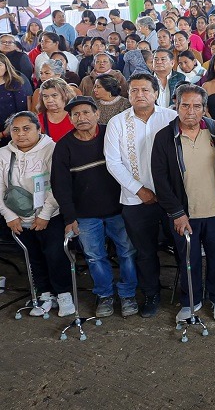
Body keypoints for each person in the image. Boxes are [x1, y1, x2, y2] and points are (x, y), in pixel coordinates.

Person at [52, 96, 138, 319]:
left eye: (86, 112)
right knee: (94, 256)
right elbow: (60, 186)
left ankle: (128, 294)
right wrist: (70, 217)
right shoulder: (63, 146)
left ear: (97, 114)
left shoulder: (110, 134)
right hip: (85, 215)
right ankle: (105, 295)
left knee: (127, 252)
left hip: (118, 209)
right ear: (69, 119)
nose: (81, 118)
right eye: (76, 114)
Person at [151, 84, 215, 322]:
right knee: (188, 260)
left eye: (197, 106)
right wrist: (177, 213)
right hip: (185, 214)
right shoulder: (164, 137)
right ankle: (191, 301)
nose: (190, 111)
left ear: (204, 109)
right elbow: (161, 181)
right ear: (176, 106)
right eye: (185, 105)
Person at [103, 73, 177, 318]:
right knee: (144, 252)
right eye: (134, 90)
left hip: (171, 199)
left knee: (181, 246)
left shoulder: (171, 118)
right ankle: (151, 294)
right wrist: (139, 190)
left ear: (156, 93)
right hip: (135, 200)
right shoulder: (117, 123)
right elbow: (113, 163)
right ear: (128, 94)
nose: (140, 95)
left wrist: (166, 192)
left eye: (145, 90)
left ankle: (187, 292)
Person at [0, 111, 73, 318]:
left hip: (51, 214)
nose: (21, 134)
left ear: (38, 129)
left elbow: (58, 186)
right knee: (32, 257)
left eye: (26, 129)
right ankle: (44, 295)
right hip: (19, 218)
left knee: (55, 254)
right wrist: (9, 216)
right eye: (15, 130)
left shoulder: (52, 149)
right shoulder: (3, 154)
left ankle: (64, 294)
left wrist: (45, 214)